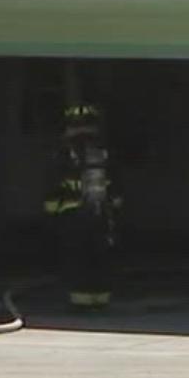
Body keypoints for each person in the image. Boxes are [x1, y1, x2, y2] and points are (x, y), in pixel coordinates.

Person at [43, 101, 120, 310]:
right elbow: (115, 182)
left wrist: (50, 215)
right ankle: (100, 299)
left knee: (76, 257)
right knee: (100, 255)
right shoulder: (103, 150)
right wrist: (114, 207)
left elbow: (52, 183)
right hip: (100, 212)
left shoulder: (62, 151)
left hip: (71, 214)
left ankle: (80, 301)